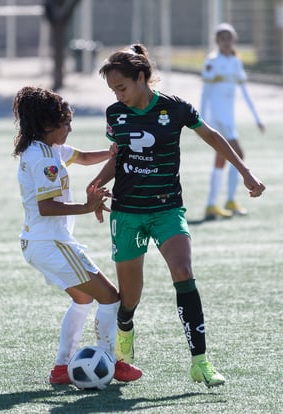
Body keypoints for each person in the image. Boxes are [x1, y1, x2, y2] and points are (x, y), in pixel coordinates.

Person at [88, 44, 265, 387]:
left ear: (141, 78)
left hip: (168, 208)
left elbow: (212, 136)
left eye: (121, 87)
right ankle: (125, 330)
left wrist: (245, 173)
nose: (118, 95)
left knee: (183, 270)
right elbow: (119, 156)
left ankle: (200, 361)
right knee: (130, 298)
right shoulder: (114, 114)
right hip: (127, 212)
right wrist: (95, 184)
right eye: (113, 90)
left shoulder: (176, 108)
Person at [12, 86, 142, 384]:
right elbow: (47, 207)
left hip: (39, 243)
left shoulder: (47, 148)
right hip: (52, 244)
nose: (70, 127)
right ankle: (113, 361)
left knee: (83, 299)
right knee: (110, 298)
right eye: (66, 123)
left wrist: (112, 153)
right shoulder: (44, 159)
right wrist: (88, 206)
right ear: (48, 126)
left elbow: (82, 157)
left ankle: (61, 369)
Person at [201, 22, 265, 220]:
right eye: (222, 39)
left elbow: (245, 92)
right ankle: (224, 200)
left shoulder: (235, 62)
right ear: (217, 41)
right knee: (237, 153)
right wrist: (201, 120)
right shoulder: (212, 61)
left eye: (229, 38)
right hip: (217, 118)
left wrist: (257, 118)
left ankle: (216, 203)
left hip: (229, 118)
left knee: (223, 158)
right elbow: (206, 92)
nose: (226, 42)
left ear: (234, 40)